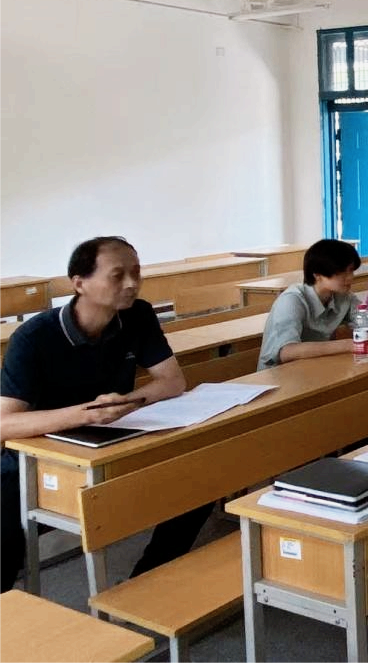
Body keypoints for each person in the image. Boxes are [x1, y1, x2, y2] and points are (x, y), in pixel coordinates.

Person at [0, 237, 213, 590]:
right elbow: (4, 423)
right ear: (79, 283)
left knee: (200, 479)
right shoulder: (34, 337)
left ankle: (146, 582)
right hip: (35, 457)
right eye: (117, 275)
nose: (131, 283)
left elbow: (173, 381)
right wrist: (87, 414)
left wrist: (128, 401)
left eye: (136, 273)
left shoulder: (138, 315)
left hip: (111, 440)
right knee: (4, 537)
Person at [258, 239, 368, 369]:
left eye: (351, 271)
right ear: (317, 274)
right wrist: (349, 345)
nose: (350, 277)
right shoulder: (292, 301)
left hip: (314, 368)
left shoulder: (343, 297)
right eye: (342, 272)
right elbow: (287, 351)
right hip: (279, 376)